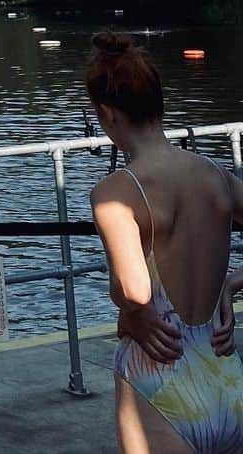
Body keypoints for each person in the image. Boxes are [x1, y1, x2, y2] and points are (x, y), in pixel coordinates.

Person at [87, 32, 243, 453]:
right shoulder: (216, 175)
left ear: (107, 114)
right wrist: (231, 285)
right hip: (224, 373)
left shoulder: (115, 191)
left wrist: (128, 312)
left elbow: (136, 290)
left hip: (159, 382)